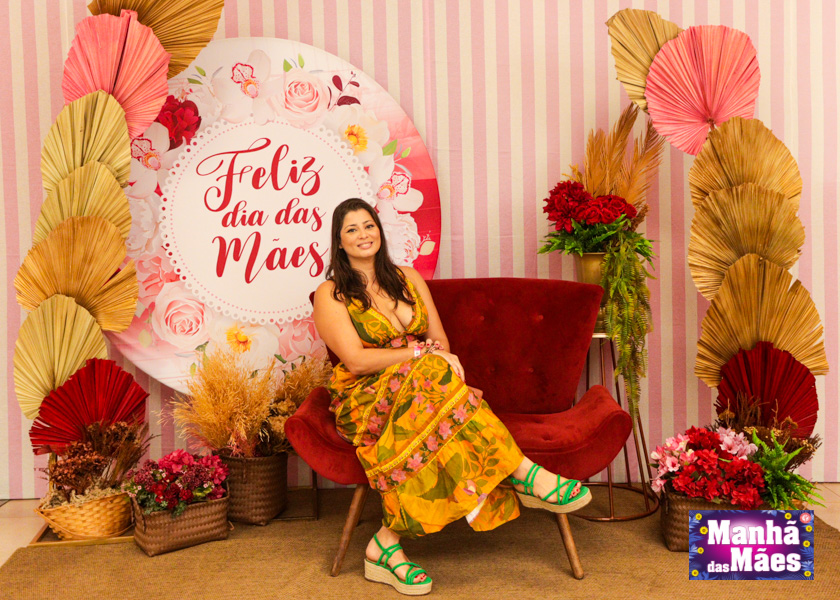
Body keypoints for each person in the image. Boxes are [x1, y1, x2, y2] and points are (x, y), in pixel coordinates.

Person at [313, 198, 591, 595]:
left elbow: (440, 341)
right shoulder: (332, 293)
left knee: (435, 378)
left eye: (368, 225)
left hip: (424, 387)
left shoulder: (408, 278)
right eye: (352, 229)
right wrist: (421, 356)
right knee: (435, 372)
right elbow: (356, 361)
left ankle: (385, 545)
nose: (363, 235)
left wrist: (432, 361)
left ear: (379, 230)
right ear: (339, 242)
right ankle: (524, 474)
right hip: (365, 397)